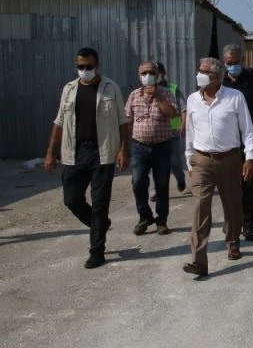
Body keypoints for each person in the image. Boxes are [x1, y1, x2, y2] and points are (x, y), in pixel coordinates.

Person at [44, 47, 130, 269]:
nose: (84, 70)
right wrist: (50, 153)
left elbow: (123, 121)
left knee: (100, 203)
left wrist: (123, 150)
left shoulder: (111, 88)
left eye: (89, 67)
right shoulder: (69, 89)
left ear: (97, 65)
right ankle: (99, 224)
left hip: (102, 153)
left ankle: (97, 251)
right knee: (71, 199)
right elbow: (59, 122)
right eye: (80, 67)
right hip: (75, 152)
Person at [182, 57, 253, 277]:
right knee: (200, 208)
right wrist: (190, 160)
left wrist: (250, 158)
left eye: (204, 71)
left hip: (230, 159)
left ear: (216, 76)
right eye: (199, 70)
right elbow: (190, 132)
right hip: (202, 160)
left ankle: (233, 239)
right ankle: (198, 261)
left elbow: (248, 130)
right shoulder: (193, 100)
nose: (199, 74)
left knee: (232, 206)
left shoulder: (235, 97)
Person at [222, 44, 253, 242]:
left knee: (248, 184)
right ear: (224, 63)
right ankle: (232, 223)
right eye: (229, 63)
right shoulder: (220, 81)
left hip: (250, 140)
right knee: (230, 186)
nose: (233, 66)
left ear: (242, 60)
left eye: (236, 62)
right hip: (227, 142)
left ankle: (248, 224)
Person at [125, 61, 178, 236]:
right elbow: (128, 122)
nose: (148, 76)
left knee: (162, 184)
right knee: (138, 182)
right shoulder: (133, 96)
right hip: (139, 147)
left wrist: (158, 97)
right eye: (144, 72)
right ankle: (144, 216)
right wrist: (122, 149)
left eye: (151, 73)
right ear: (139, 75)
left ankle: (161, 220)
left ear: (157, 76)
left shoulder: (166, 93)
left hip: (161, 146)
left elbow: (172, 113)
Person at [149, 62, 187, 201]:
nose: (153, 76)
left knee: (175, 161)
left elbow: (183, 107)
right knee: (157, 164)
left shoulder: (173, 88)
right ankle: (158, 191)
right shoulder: (147, 90)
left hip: (172, 133)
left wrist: (183, 123)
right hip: (156, 133)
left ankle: (180, 178)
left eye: (156, 72)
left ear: (163, 73)